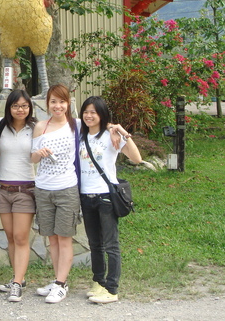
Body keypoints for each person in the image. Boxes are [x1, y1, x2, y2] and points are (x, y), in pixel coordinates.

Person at [79, 96, 142, 304]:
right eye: (86, 112)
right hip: (86, 196)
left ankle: (112, 289)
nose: (89, 116)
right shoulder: (81, 135)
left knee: (110, 244)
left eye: (93, 112)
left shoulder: (111, 136)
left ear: (101, 115)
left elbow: (136, 158)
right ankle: (99, 282)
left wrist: (123, 132)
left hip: (106, 196)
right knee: (94, 244)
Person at [30, 84, 81, 304]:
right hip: (43, 189)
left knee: (64, 238)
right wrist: (38, 154)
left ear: (68, 103)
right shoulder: (40, 126)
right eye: (53, 101)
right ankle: (58, 280)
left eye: (61, 101)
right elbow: (32, 158)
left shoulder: (76, 125)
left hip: (67, 189)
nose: (57, 106)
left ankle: (60, 285)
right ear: (47, 103)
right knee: (52, 239)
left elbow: (102, 124)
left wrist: (117, 131)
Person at [0, 89, 37, 302]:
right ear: (9, 107)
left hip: (25, 190)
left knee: (20, 237)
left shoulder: (36, 128)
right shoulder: (0, 125)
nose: (20, 110)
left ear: (30, 108)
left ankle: (17, 284)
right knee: (10, 237)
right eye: (16, 106)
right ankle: (17, 278)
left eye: (24, 106)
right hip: (2, 190)